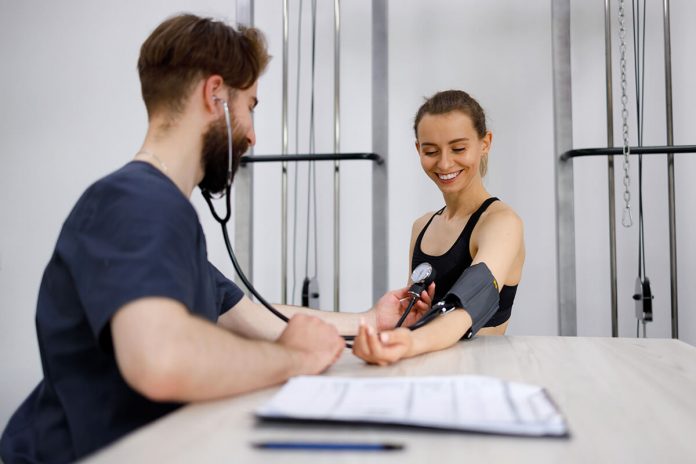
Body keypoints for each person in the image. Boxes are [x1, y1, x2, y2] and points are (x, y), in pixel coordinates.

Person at [0, 14, 430, 463]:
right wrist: (294, 360)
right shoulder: (135, 203)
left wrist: (371, 320)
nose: (253, 135)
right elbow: (161, 359)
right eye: (251, 106)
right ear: (215, 95)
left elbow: (252, 318)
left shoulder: (158, 213)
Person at [353, 90, 525, 365]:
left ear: (485, 143)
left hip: (481, 374)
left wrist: (407, 341)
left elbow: (467, 308)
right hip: (424, 368)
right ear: (418, 150)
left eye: (458, 149)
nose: (444, 163)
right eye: (431, 151)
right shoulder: (422, 226)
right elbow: (408, 314)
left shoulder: (502, 223)